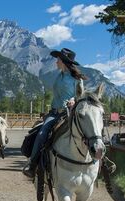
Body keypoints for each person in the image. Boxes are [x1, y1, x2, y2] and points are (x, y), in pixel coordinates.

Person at [23, 48, 86, 178]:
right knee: (41, 133)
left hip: (69, 113)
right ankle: (33, 164)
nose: (56, 62)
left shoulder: (77, 79)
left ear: (63, 61)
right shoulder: (59, 76)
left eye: (58, 59)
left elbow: (81, 96)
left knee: (87, 132)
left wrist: (74, 100)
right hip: (54, 112)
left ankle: (97, 162)